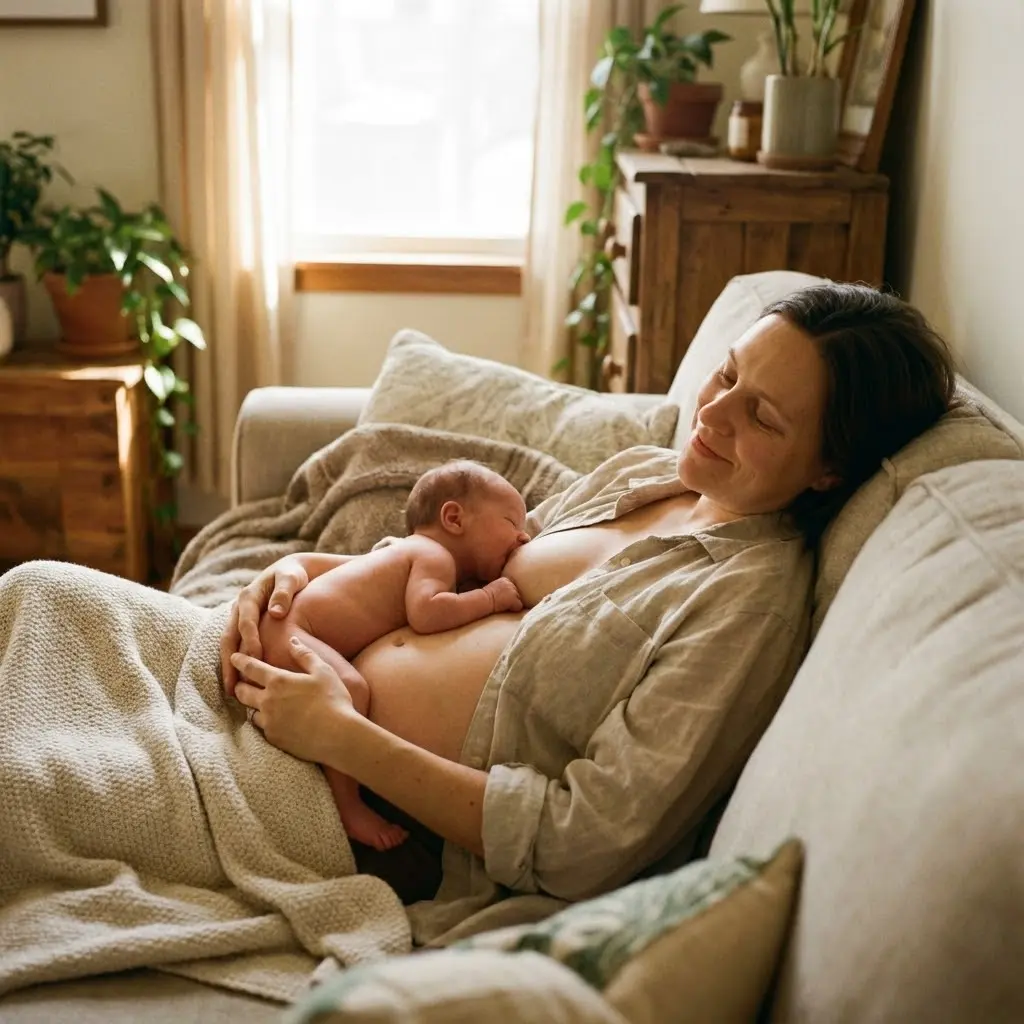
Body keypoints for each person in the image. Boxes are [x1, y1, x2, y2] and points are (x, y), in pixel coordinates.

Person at [222, 283, 957, 928]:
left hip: (376, 819)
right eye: (728, 374)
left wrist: (342, 737)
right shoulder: (647, 473)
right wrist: (300, 572)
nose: (713, 411)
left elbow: (583, 842)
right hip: (299, 701)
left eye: (761, 416)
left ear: (829, 469)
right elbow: (452, 565)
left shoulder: (747, 608)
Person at [258, 460, 529, 851]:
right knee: (350, 690)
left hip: (289, 628)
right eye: (511, 522)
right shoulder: (434, 556)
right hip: (294, 632)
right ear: (454, 518)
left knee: (347, 687)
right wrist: (489, 597)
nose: (523, 537)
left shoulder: (408, 553)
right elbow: (427, 613)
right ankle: (348, 806)